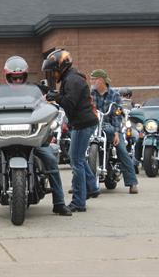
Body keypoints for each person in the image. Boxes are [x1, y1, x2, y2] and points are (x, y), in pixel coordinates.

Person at [0, 56, 72, 216]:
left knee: (51, 158)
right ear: (7, 76)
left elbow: (43, 103)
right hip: (3, 139)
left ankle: (59, 203)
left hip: (32, 139)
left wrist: (50, 101)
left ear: (25, 76)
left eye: (20, 77)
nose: (17, 80)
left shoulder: (35, 93)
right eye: (13, 77)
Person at [42, 49, 99, 212]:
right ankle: (92, 187)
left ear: (61, 67)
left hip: (83, 123)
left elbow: (69, 103)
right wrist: (55, 95)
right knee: (79, 159)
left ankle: (79, 202)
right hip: (82, 122)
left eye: (53, 71)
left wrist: (55, 97)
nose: (52, 75)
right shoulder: (70, 78)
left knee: (76, 161)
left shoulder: (72, 80)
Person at [90, 70, 139, 194]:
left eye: (93, 79)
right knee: (80, 150)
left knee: (121, 149)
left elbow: (117, 114)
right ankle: (78, 185)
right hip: (93, 126)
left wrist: (117, 132)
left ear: (100, 80)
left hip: (110, 126)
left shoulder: (114, 95)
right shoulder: (90, 94)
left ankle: (132, 183)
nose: (91, 82)